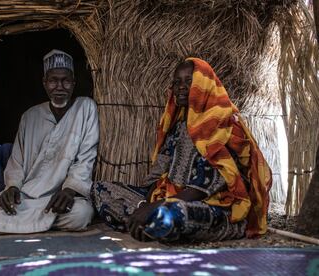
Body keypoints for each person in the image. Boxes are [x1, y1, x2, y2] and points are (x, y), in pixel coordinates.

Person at [92, 58, 272, 242]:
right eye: (177, 82)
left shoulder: (222, 124)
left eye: (189, 81)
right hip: (167, 198)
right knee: (101, 189)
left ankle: (151, 222)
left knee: (176, 214)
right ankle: (148, 223)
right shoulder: (178, 125)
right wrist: (143, 204)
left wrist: (154, 208)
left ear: (204, 84)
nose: (181, 87)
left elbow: (202, 190)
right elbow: (160, 171)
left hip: (212, 205)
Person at [0, 49, 99, 234]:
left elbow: (87, 156)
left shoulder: (85, 107)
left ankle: (20, 224)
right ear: (45, 83)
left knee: (81, 214)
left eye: (66, 80)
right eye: (53, 80)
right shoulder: (30, 116)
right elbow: (17, 161)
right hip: (28, 196)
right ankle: (41, 221)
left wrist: (71, 189)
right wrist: (13, 186)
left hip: (62, 196)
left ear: (74, 83)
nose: (60, 87)